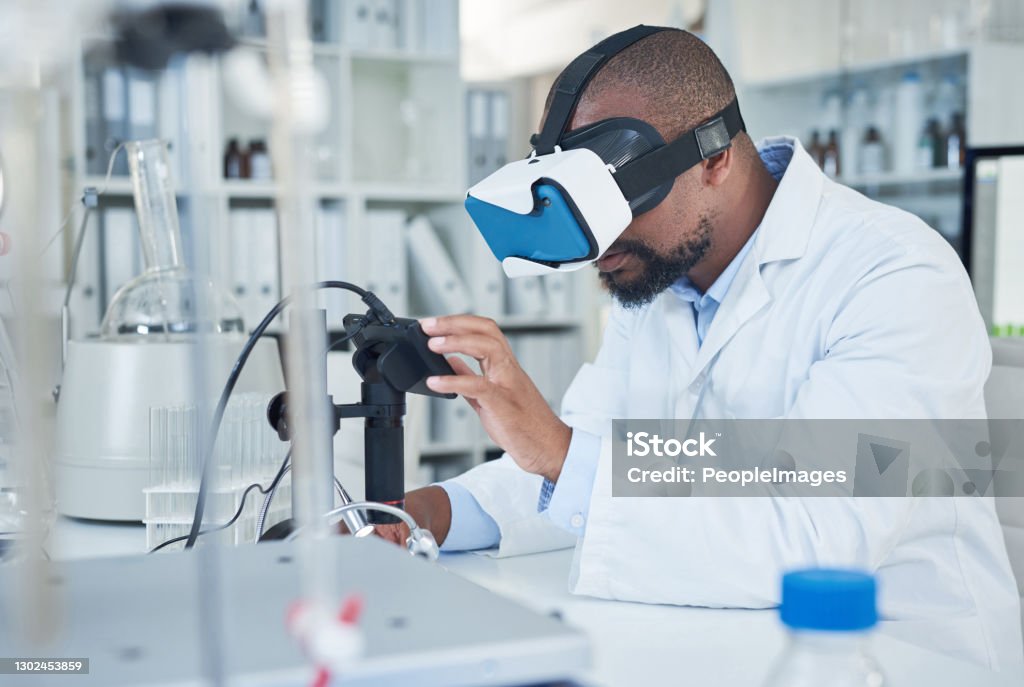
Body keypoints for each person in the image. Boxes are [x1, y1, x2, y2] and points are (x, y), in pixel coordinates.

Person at [376, 28, 1022, 671]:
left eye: (621, 199)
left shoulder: (894, 274)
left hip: (902, 657)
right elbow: (584, 470)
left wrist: (560, 450)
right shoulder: (655, 279)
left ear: (715, 157)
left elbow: (816, 541)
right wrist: (427, 513)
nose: (601, 243)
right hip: (714, 638)